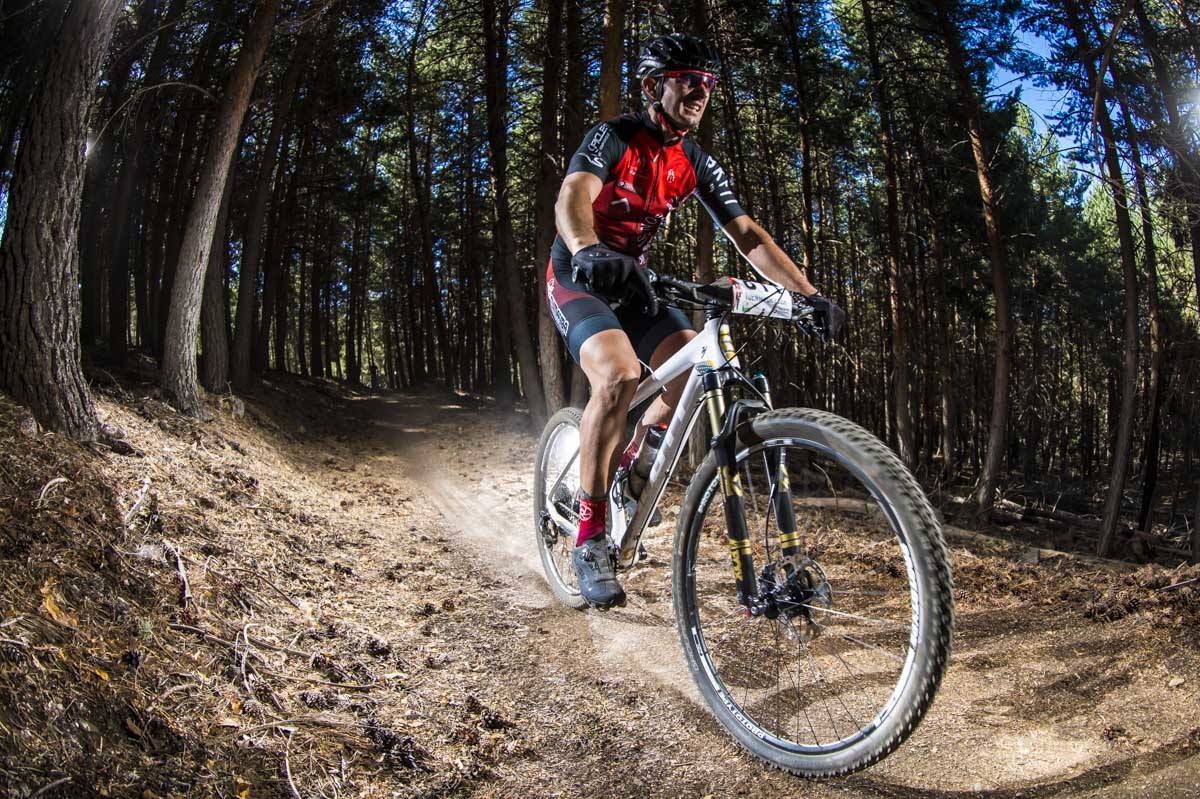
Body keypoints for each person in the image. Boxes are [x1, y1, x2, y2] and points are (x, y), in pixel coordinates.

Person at [546, 33, 846, 609]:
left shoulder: (693, 160)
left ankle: (631, 466)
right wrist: (585, 247)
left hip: (636, 282)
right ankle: (589, 536)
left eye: (708, 83)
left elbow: (747, 234)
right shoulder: (615, 136)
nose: (700, 91)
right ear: (654, 85)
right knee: (617, 375)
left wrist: (809, 294)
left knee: (691, 363)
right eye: (689, 79)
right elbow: (572, 197)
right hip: (579, 275)